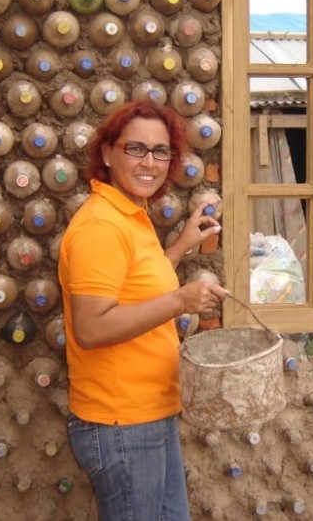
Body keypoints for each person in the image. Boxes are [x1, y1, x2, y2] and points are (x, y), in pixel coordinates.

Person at [58, 100, 228, 520]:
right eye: (136, 149)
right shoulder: (101, 226)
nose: (149, 162)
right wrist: (181, 300)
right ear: (107, 153)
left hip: (148, 414)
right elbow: (91, 329)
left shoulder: (132, 215)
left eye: (160, 151)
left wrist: (180, 247)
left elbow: (133, 291)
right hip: (122, 423)